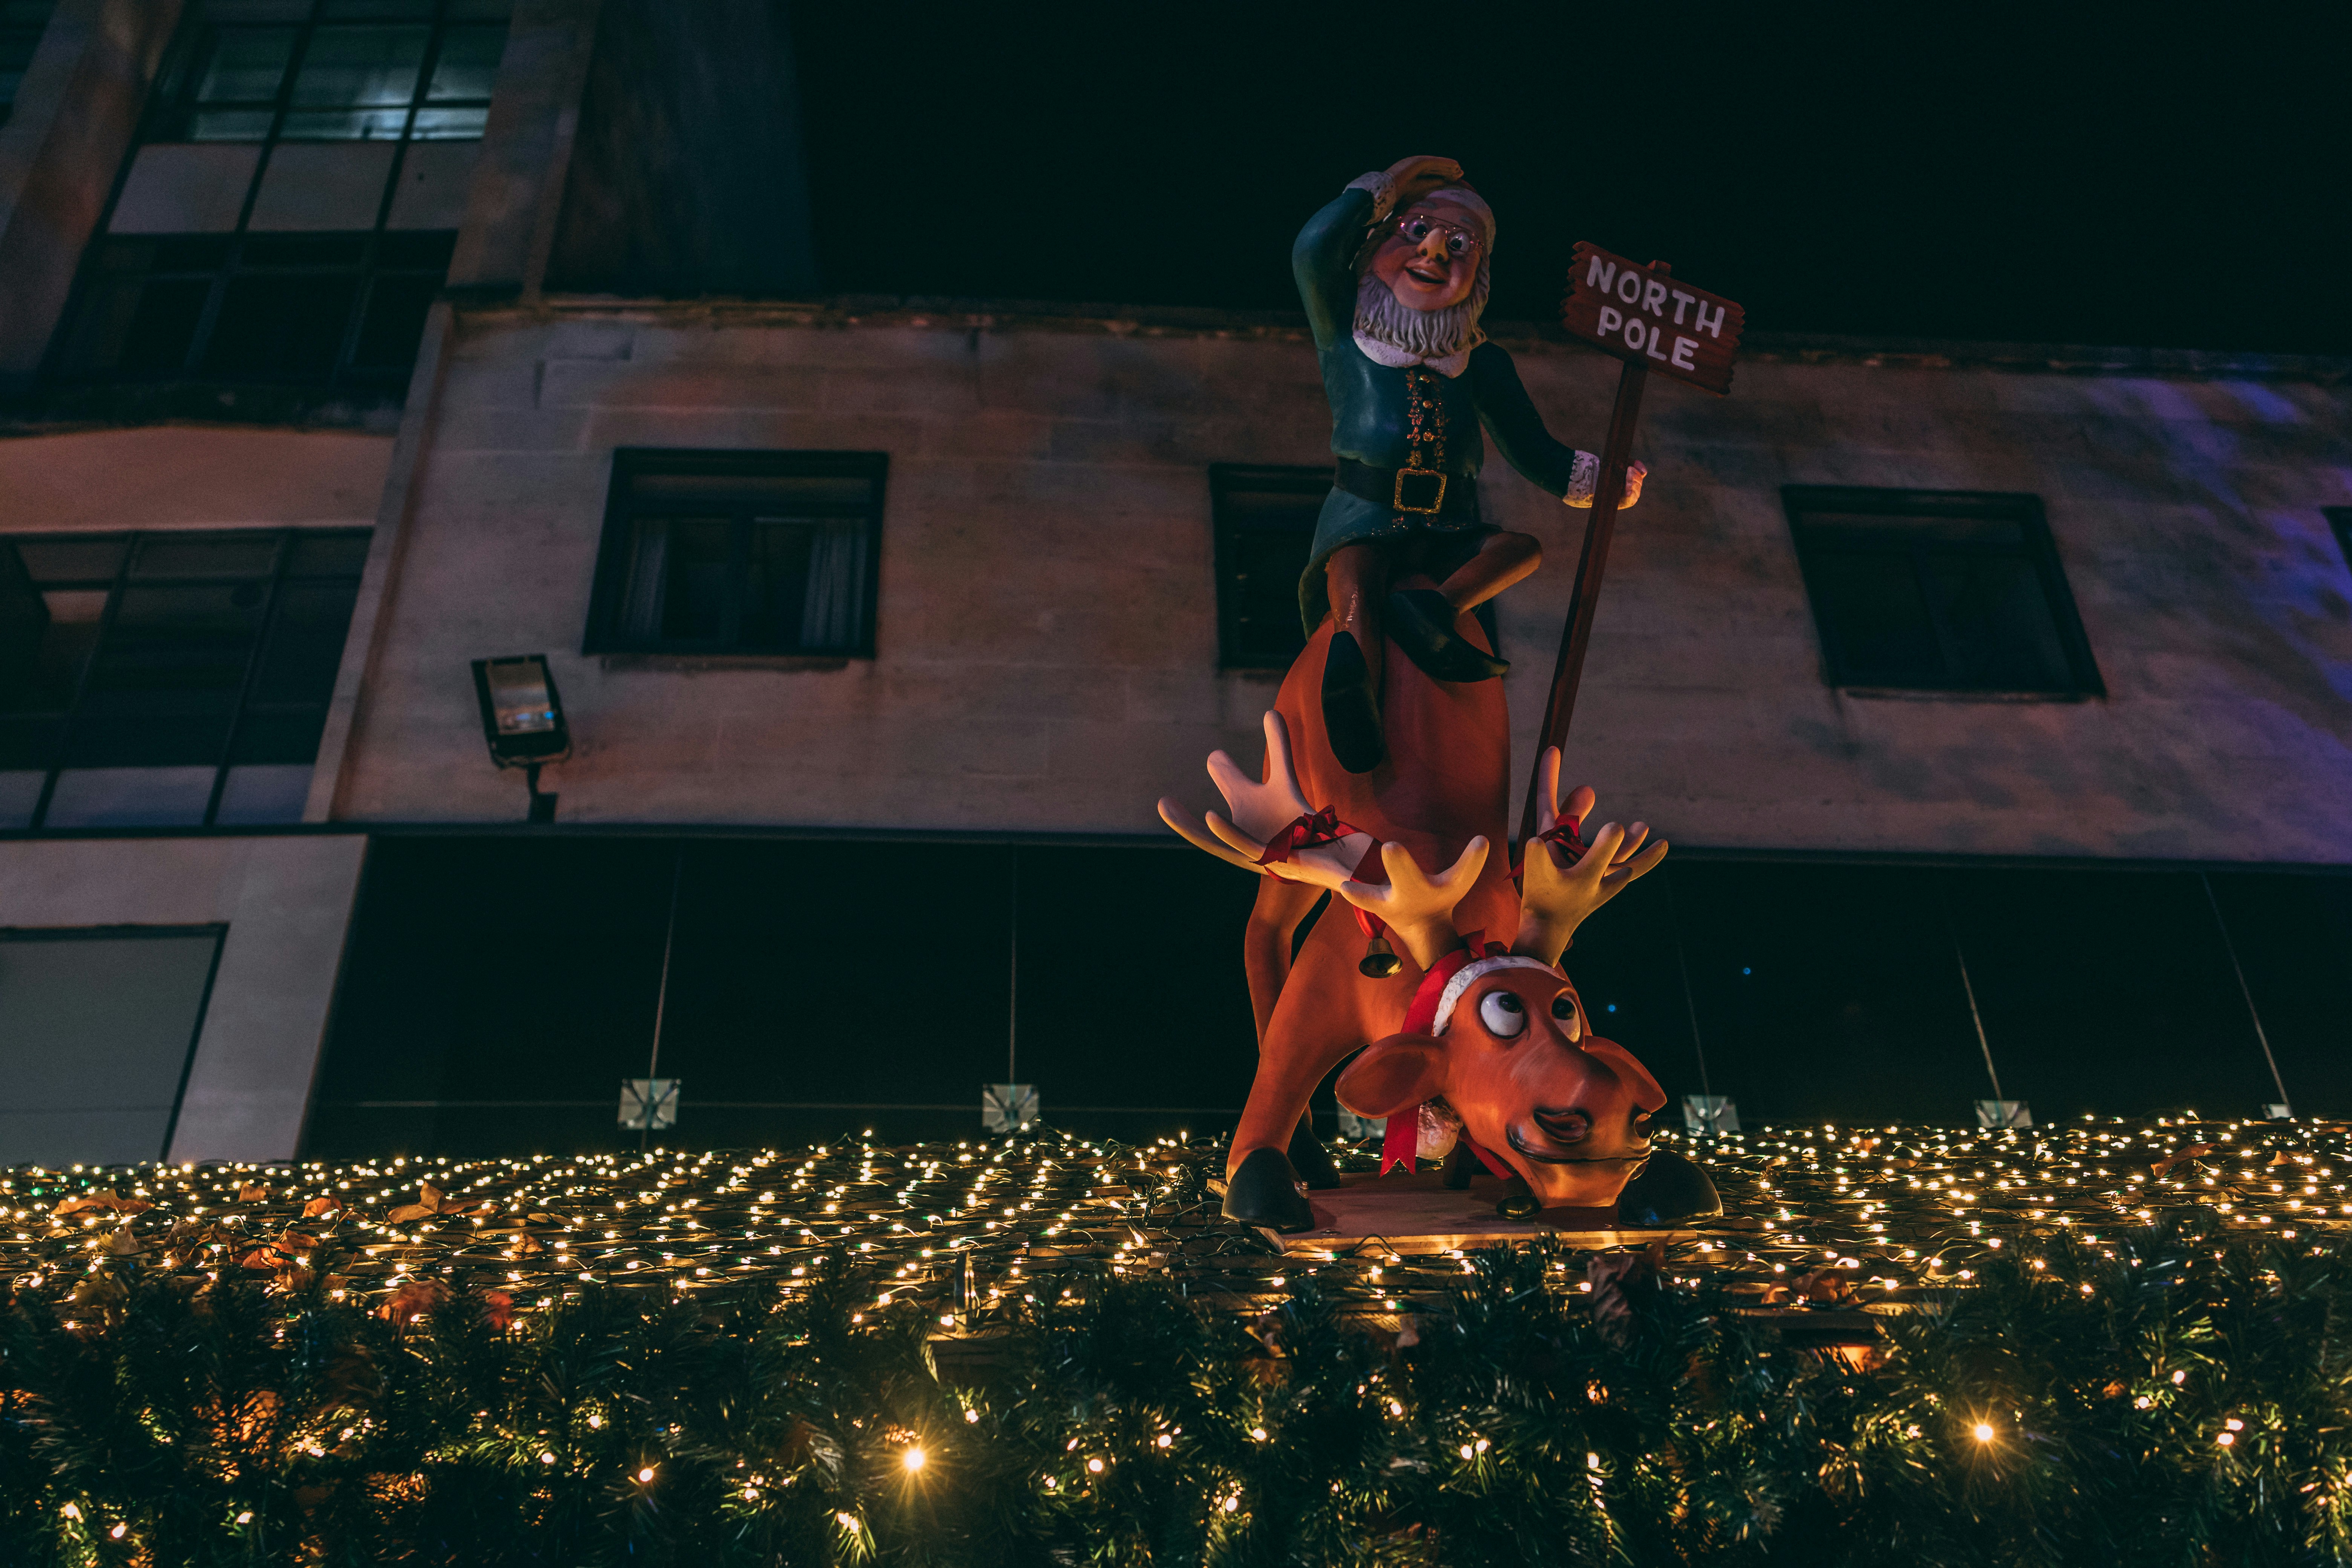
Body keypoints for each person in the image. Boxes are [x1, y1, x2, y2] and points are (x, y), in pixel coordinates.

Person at [1294, 153, 1646, 772]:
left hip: (1452, 525)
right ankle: (1354, 707)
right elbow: (1315, 247)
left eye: (1458, 245)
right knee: (1353, 584)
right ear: (1375, 247)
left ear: (1477, 274)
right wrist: (1398, 178)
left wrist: (1600, 481)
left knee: (1520, 549)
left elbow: (1531, 447)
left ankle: (1433, 610)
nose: (1433, 253)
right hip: (1364, 514)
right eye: (1415, 231)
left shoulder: (1480, 363)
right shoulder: (1346, 333)